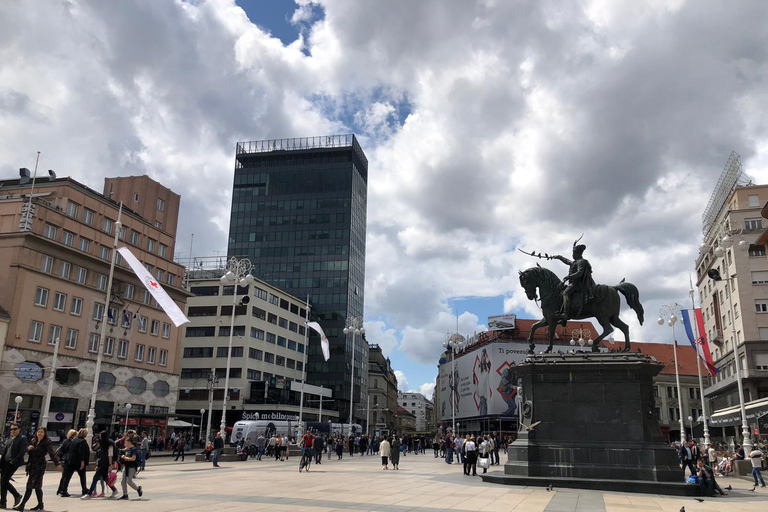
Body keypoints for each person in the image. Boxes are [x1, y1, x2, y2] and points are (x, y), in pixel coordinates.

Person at [13, 427, 60, 511]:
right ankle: (40, 504)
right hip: (32, 465)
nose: (39, 433)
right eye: (38, 432)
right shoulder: (34, 441)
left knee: (29, 485)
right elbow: (28, 452)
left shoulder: (46, 442)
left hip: (39, 465)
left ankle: (22, 505)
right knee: (37, 486)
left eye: (41, 432)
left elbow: (51, 453)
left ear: (44, 433)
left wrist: (57, 463)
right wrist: (28, 449)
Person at [552, 243, 596, 324]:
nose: (573, 255)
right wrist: (558, 257)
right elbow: (566, 261)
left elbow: (579, 273)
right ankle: (563, 316)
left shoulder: (581, 262)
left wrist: (569, 277)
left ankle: (565, 314)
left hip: (578, 284)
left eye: (574, 253)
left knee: (565, 293)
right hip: (573, 283)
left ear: (578, 253)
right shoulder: (575, 262)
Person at [83, 431, 118, 500]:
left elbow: (110, 456)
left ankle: (89, 494)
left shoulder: (109, 445)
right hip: (102, 464)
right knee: (106, 479)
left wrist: (110, 465)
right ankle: (114, 490)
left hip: (105, 465)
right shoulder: (102, 444)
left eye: (100, 435)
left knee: (95, 478)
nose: (99, 437)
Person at [1, 424, 28, 509]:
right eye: (11, 429)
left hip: (13, 463)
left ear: (19, 429)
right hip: (5, 462)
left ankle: (16, 495)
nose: (12, 431)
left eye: (14, 429)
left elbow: (22, 452)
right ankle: (3, 502)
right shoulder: (10, 439)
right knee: (3, 482)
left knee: (4, 481)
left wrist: (14, 461)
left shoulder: (22, 438)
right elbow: (5, 451)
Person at [58, 428, 89, 498]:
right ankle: (84, 489)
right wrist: (82, 462)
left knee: (68, 476)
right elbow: (82, 452)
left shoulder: (74, 440)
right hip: (78, 462)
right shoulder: (83, 441)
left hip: (71, 461)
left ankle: (64, 490)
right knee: (82, 476)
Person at [55, 429, 76, 496]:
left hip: (64, 460)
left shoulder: (65, 441)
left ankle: (60, 489)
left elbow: (62, 450)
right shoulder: (73, 442)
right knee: (67, 476)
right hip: (69, 460)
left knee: (64, 476)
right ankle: (64, 491)